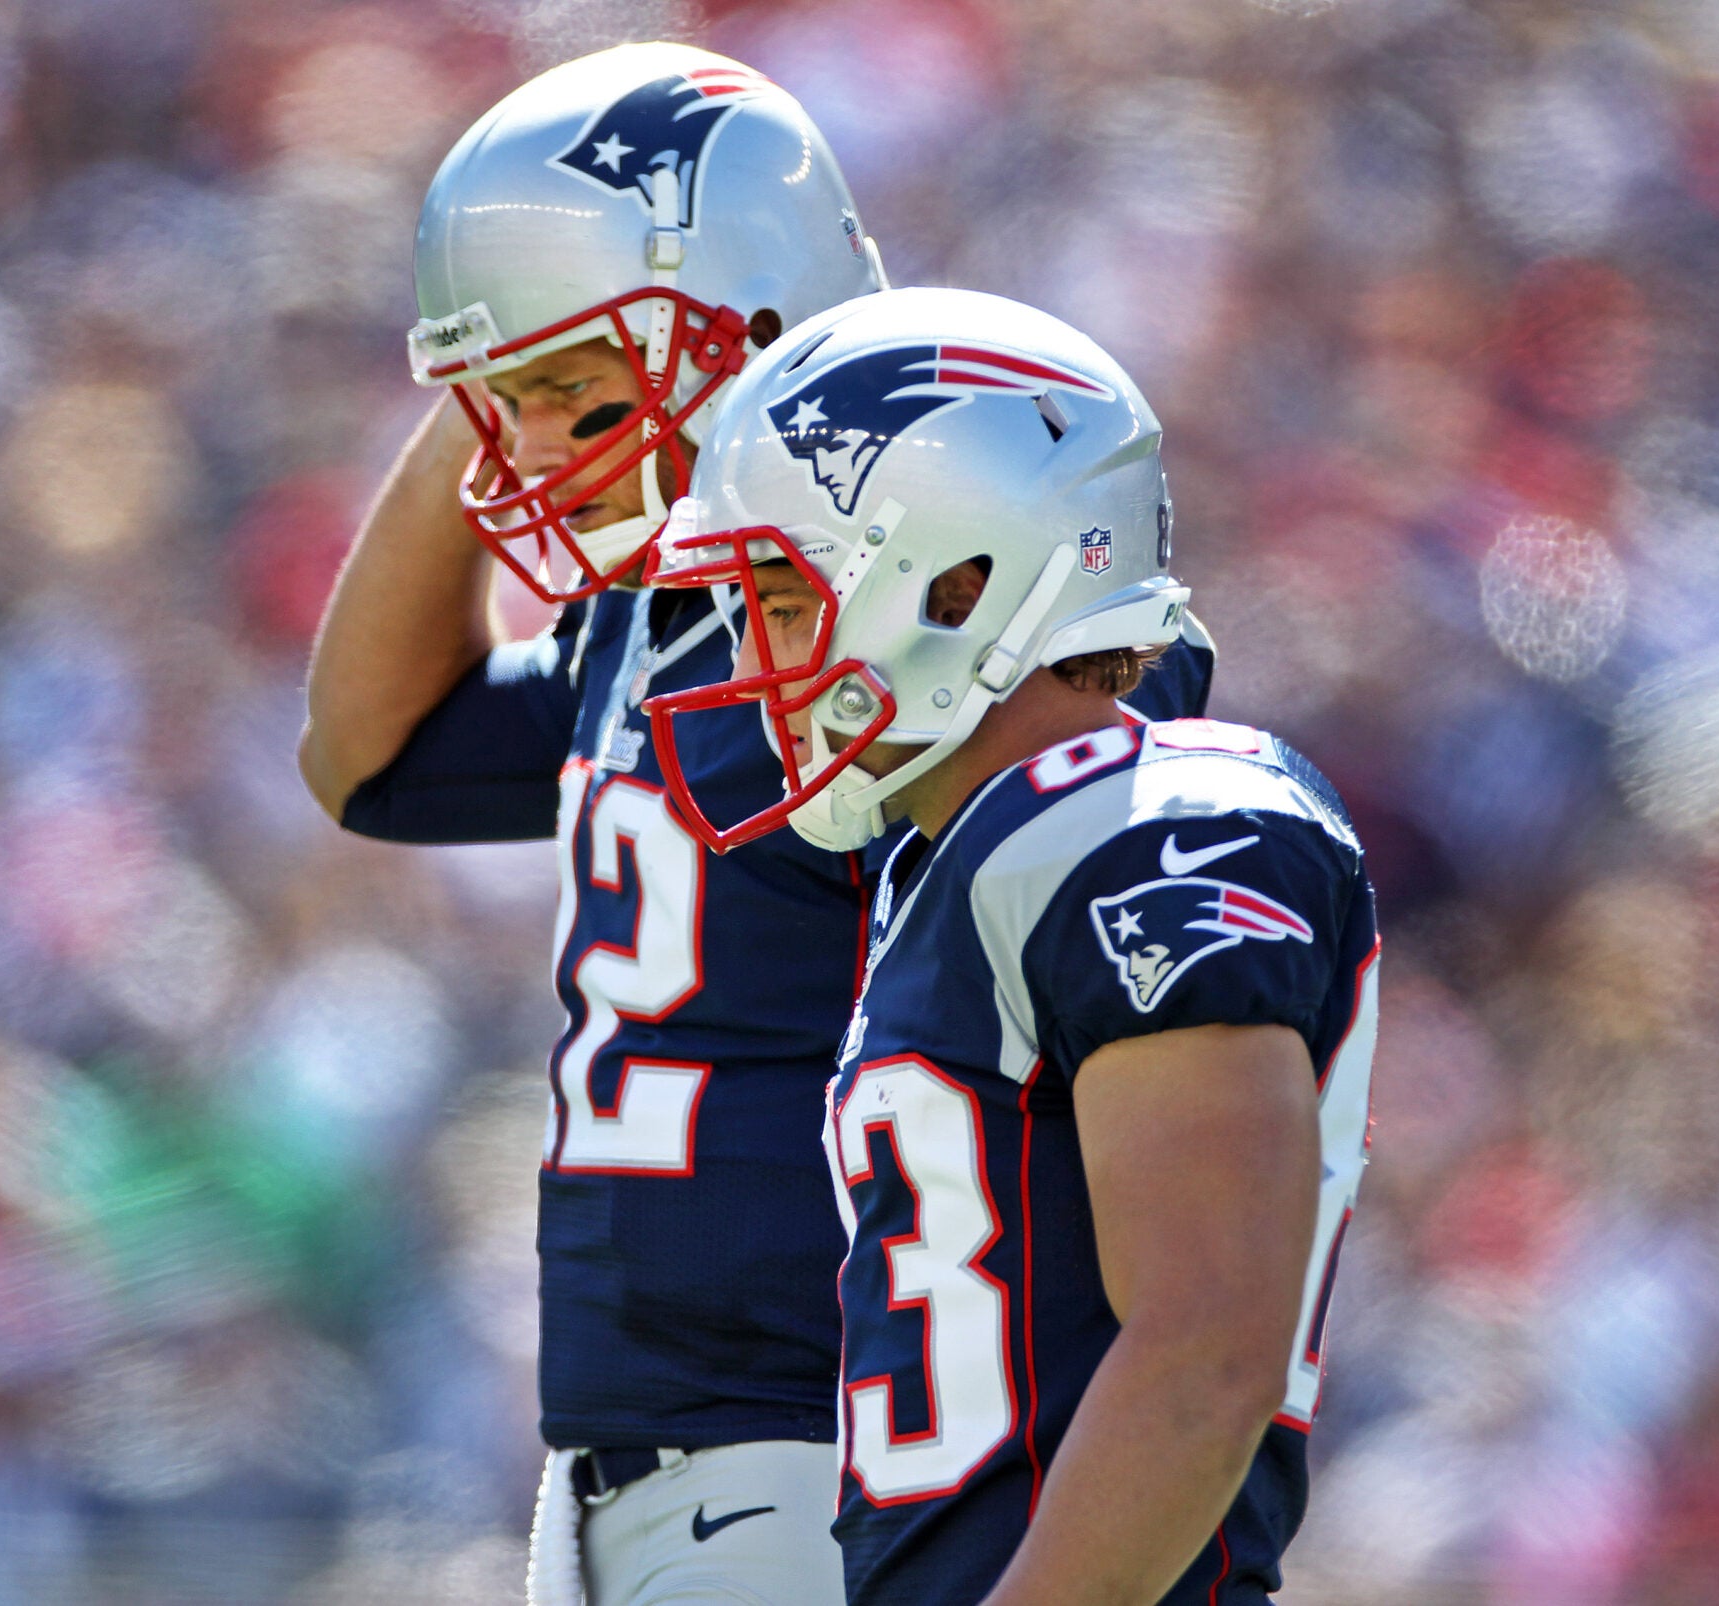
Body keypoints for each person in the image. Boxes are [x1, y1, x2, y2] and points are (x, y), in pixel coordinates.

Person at [300, 42, 1211, 1606]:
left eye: (569, 392)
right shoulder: (655, 627)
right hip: (626, 1443)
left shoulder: (943, 628)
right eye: (505, 402)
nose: (525, 451)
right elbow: (364, 754)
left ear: (760, 323)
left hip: (829, 1423)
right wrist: (489, 379)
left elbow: (1107, 770)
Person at [642, 286, 1376, 1606]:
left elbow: (1207, 1348)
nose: (757, 655)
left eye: (786, 599)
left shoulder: (1155, 823)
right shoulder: (967, 860)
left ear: (962, 583)